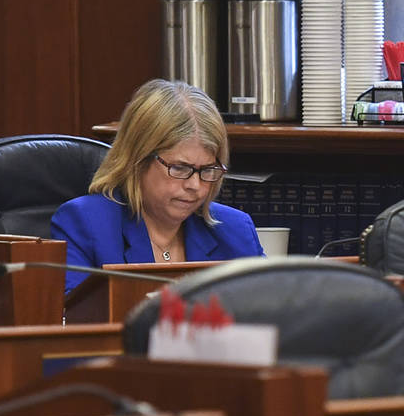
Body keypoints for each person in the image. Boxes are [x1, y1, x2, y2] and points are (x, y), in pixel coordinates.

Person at [51, 80, 262, 292]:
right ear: (138, 159)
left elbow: (273, 316)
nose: (195, 185)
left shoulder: (236, 231)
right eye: (180, 168)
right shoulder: (85, 225)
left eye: (207, 170)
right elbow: (77, 320)